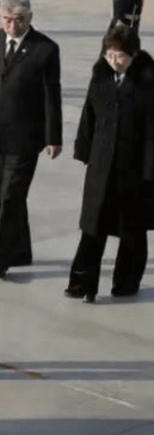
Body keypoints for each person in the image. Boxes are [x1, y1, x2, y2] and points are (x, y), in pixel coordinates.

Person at [0, 0, 63, 279]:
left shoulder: (45, 49)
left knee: (11, 197)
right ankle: (21, 249)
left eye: (18, 20)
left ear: (30, 19)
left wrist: (53, 136)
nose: (11, 25)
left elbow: (52, 96)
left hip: (26, 137)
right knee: (6, 197)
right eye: (7, 19)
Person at [68, 25, 153, 302]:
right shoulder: (101, 76)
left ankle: (126, 283)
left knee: (132, 230)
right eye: (109, 54)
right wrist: (84, 149)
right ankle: (82, 283)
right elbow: (88, 116)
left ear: (133, 54)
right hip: (101, 165)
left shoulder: (148, 81)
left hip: (134, 169)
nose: (114, 61)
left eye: (120, 56)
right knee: (92, 227)